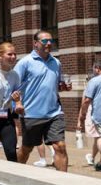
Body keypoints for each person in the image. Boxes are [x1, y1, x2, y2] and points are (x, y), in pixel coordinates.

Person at [14, 30, 72, 171]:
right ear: (35, 44)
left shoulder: (56, 62)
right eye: (45, 41)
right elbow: (13, 87)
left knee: (60, 146)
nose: (49, 44)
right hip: (31, 114)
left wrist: (63, 87)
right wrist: (17, 103)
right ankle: (15, 173)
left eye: (51, 41)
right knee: (27, 149)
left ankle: (64, 184)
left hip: (54, 113)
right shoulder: (25, 63)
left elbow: (57, 85)